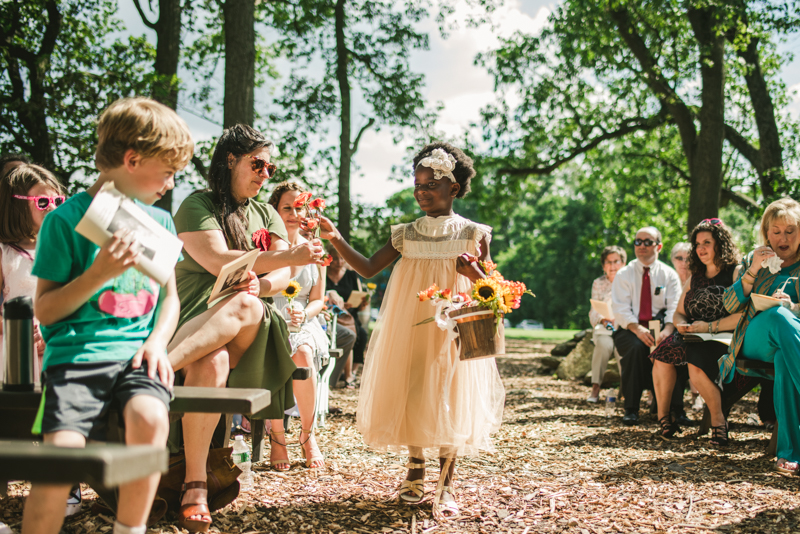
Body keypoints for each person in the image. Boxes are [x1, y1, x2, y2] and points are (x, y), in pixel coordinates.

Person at [22, 97, 189, 534]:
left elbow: (170, 298)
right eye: (168, 172)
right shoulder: (64, 221)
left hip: (138, 357)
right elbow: (46, 308)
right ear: (132, 160)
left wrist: (157, 343)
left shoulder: (161, 223)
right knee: (60, 458)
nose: (170, 185)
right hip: (77, 357)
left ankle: (128, 529)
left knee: (151, 419)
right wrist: (98, 274)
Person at [312, 142, 505, 518]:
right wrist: (334, 237)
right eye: (417, 185)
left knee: (454, 389)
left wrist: (473, 273)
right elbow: (368, 268)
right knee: (415, 387)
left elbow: (495, 290)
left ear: (454, 187)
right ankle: (415, 468)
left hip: (455, 322)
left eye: (431, 185)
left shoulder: (473, 233)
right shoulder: (407, 234)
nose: (422, 192)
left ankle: (447, 480)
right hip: (410, 322)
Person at [166, 125, 323, 532]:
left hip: (252, 324)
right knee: (212, 363)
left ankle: (156, 372)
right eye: (257, 163)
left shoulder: (266, 212)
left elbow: (282, 275)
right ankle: (195, 487)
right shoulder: (196, 204)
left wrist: (264, 278)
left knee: (246, 301)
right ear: (230, 159)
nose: (265, 173)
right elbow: (218, 260)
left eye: (270, 166)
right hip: (193, 317)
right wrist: (287, 256)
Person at [718, 198, 800, 474]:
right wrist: (752, 270)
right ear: (766, 233)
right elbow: (729, 305)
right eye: (776, 231)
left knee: (784, 360)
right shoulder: (754, 260)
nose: (783, 238)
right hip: (753, 340)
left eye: (790, 230)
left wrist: (793, 307)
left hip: (789, 343)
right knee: (777, 317)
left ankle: (789, 453)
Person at [651, 219, 742, 444]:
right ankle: (665, 418)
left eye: (707, 243)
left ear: (720, 244)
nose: (700, 248)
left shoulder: (735, 272)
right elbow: (679, 312)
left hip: (722, 336)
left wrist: (708, 327)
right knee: (662, 355)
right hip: (693, 334)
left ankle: (719, 422)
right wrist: (682, 325)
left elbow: (743, 315)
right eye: (697, 244)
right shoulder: (695, 276)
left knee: (695, 362)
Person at [267, 181, 329, 469]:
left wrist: (304, 315)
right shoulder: (264, 246)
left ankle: (307, 435)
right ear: (275, 210)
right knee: (271, 354)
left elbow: (318, 299)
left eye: (299, 207)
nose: (293, 213)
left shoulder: (315, 249)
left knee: (302, 353)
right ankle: (277, 437)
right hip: (269, 314)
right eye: (286, 207)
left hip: (304, 319)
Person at [611, 226, 682, 426]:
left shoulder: (669, 275)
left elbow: (674, 307)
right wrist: (637, 329)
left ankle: (674, 409)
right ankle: (631, 408)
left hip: (661, 326)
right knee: (635, 348)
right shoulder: (624, 274)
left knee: (670, 349)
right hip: (630, 327)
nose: (641, 246)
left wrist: (668, 330)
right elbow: (620, 308)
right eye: (637, 242)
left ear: (658, 246)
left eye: (647, 242)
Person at [0, 164, 65, 381]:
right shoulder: (5, 253)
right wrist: (20, 328)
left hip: (58, 351)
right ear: (17, 205)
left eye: (57, 201)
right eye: (43, 202)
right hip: (15, 352)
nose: (53, 209)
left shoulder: (66, 250)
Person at [325, 246, 369, 385]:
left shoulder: (351, 275)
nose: (339, 261)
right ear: (329, 258)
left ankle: (352, 372)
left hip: (350, 315)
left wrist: (360, 303)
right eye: (335, 258)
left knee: (361, 334)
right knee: (348, 334)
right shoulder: (323, 273)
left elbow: (361, 298)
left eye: (342, 258)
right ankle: (343, 374)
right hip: (330, 314)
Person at [587, 246, 625, 403]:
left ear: (623, 263)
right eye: (608, 262)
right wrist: (603, 318)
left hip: (623, 327)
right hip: (604, 328)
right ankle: (596, 387)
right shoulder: (598, 283)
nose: (612, 266)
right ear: (603, 266)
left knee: (623, 348)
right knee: (603, 345)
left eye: (616, 261)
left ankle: (627, 390)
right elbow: (593, 311)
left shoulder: (628, 282)